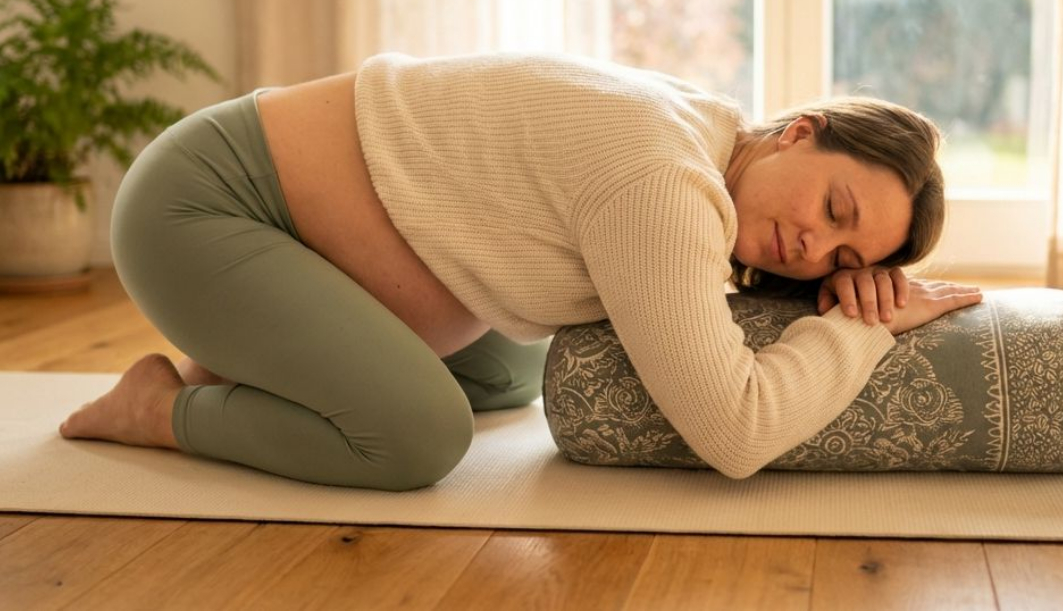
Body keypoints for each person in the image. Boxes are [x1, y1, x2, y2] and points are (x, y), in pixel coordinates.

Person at [58, 52, 983, 490]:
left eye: (845, 261)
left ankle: (256, 355)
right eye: (834, 211)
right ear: (800, 131)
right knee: (415, 439)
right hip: (206, 209)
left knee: (528, 370)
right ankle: (161, 408)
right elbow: (736, 433)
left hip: (287, 236)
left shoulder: (705, 134)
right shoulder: (662, 181)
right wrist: (856, 326)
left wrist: (835, 300)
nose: (813, 251)